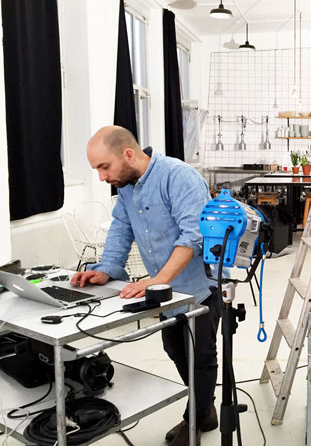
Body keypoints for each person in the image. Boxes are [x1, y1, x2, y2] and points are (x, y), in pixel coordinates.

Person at [71, 126, 220, 445]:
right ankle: (205, 407)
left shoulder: (178, 176)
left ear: (128, 154)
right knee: (175, 348)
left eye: (103, 167)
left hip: (199, 289)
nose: (101, 177)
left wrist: (157, 280)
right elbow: (121, 229)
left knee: (201, 355)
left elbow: (194, 235)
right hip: (166, 294)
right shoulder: (126, 187)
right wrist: (107, 270)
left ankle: (193, 419)